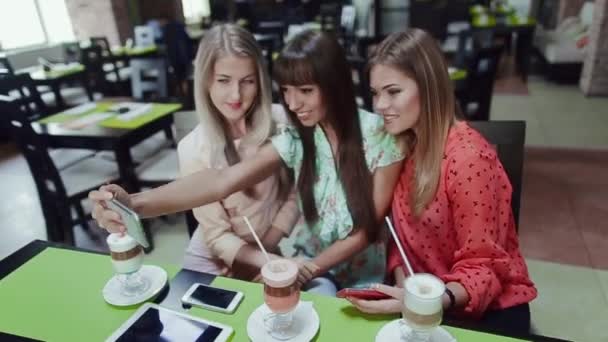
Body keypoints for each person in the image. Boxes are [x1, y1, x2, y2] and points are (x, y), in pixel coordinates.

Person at [90, 30, 404, 295]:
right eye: (286, 91)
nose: (292, 104)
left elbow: (365, 230)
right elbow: (221, 182)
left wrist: (304, 267)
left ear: (333, 85)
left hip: (350, 271)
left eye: (305, 91)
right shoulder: (300, 135)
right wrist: (135, 202)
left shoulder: (377, 135)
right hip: (303, 263)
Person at [345, 29, 537, 334]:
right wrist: (403, 282)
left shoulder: (469, 159)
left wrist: (427, 302)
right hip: (422, 299)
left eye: (393, 92)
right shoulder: (401, 145)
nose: (380, 105)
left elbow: (484, 267)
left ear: (429, 88)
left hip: (483, 309)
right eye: (375, 92)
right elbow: (399, 237)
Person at [97, 24, 301, 281]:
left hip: (263, 253)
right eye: (224, 81)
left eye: (247, 81)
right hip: (212, 264)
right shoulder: (193, 147)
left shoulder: (282, 122)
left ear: (260, 80)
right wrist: (266, 261)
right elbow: (216, 237)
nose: (236, 95)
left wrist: (269, 250)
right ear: (205, 81)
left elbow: (295, 193)